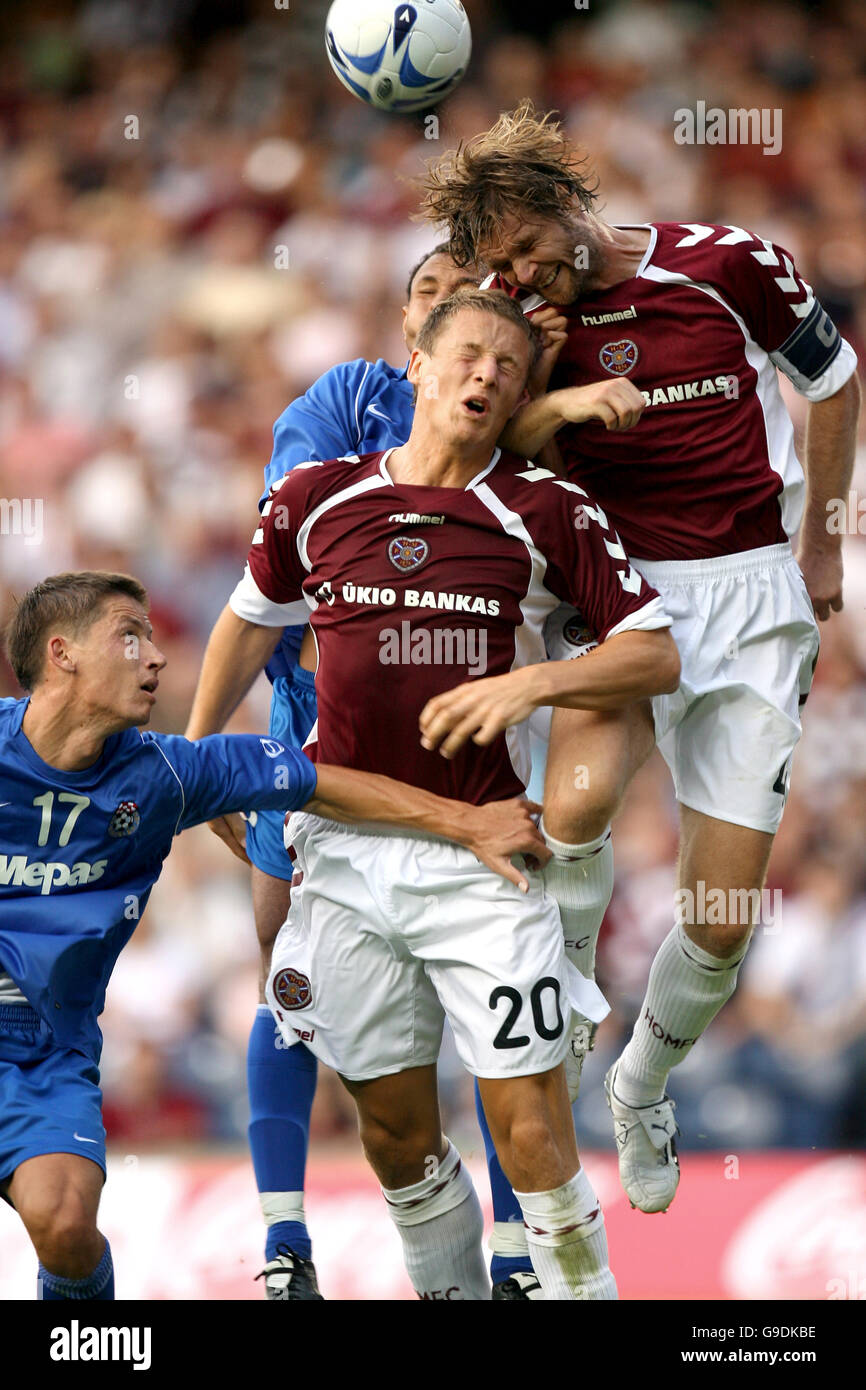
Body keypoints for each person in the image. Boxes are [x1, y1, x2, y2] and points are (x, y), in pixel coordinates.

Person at [415, 101, 861, 1215]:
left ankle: (643, 1082)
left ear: (569, 204)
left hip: (751, 596)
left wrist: (820, 543)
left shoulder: (726, 264)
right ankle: (562, 1004)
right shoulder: (516, 321)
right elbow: (469, 445)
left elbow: (833, 382)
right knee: (568, 820)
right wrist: (554, 395)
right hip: (615, 598)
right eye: (497, 264)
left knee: (717, 920)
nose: (519, 277)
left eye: (526, 249)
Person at [185, 245, 639, 1298]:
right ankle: (287, 1233)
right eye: (443, 312)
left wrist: (541, 416)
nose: (475, 351)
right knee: (295, 989)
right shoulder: (337, 415)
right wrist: (205, 751)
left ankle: (532, 1251)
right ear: (410, 332)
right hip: (318, 756)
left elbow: (610, 615)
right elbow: (260, 599)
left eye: (500, 342)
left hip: (472, 794)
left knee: (512, 1074)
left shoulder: (533, 484)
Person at [0, 569, 548, 1302]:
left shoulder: (166, 775)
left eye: (155, 637)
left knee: (66, 1223)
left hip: (44, 1054)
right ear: (61, 654)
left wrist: (466, 822)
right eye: (130, 637)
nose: (156, 657)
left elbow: (322, 782)